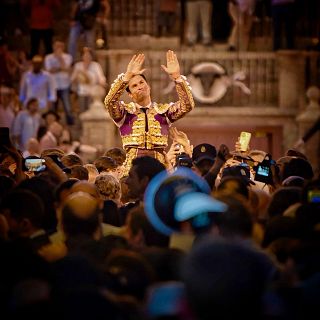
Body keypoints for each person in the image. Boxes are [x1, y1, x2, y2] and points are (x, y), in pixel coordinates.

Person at [104, 50, 195, 175]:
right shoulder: (124, 113)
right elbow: (110, 102)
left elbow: (187, 105)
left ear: (149, 86)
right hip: (132, 170)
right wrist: (126, 76)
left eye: (142, 82)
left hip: (160, 169)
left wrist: (177, 78)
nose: (140, 86)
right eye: (134, 86)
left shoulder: (164, 112)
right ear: (130, 95)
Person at [44, 40, 74, 125]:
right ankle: (53, 124)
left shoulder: (68, 57)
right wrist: (61, 69)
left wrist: (60, 58)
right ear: (53, 47)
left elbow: (67, 68)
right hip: (53, 86)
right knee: (53, 108)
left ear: (63, 47)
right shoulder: (48, 57)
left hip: (65, 85)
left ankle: (70, 124)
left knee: (67, 107)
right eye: (56, 46)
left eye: (60, 46)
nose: (58, 48)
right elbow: (49, 71)